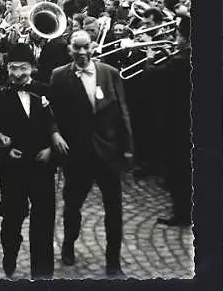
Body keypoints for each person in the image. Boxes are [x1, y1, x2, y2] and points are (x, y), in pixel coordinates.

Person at [50, 30, 133, 279]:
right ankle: (68, 244)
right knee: (73, 206)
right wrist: (54, 133)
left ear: (93, 47)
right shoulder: (59, 76)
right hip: (77, 154)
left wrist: (128, 149)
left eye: (86, 47)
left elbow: (123, 113)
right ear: (70, 50)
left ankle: (113, 262)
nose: (82, 52)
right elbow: (51, 109)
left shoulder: (110, 73)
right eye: (77, 47)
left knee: (114, 209)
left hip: (108, 153)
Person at [0, 44, 57, 279]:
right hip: (12, 169)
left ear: (32, 68)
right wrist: (2, 150)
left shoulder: (46, 92)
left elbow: (60, 123)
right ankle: (9, 257)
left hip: (42, 166)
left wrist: (51, 149)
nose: (17, 74)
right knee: (12, 218)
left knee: (43, 219)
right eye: (13, 68)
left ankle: (42, 272)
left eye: (23, 68)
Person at [145, 16, 192, 227]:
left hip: (177, 123)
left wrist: (149, 59)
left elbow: (154, 79)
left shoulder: (180, 61)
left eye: (177, 35)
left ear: (184, 37)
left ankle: (182, 213)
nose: (175, 39)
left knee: (177, 169)